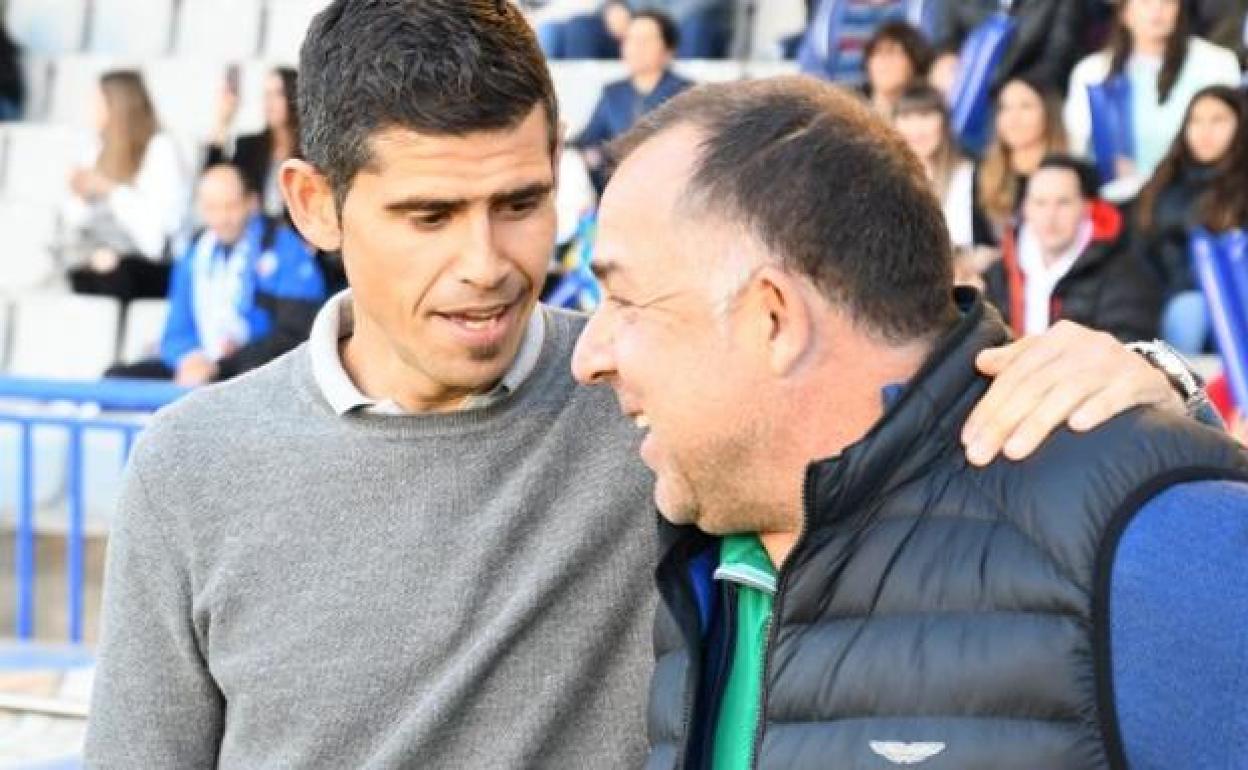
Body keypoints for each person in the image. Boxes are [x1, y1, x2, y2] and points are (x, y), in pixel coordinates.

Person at [85, 2, 1217, 767]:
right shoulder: (192, 465)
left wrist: (1144, 378)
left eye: (522, 203)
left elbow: (878, 393)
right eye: (429, 215)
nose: (487, 260)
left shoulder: (655, 390)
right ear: (312, 203)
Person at [572, 75, 1248, 770]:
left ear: (772, 318)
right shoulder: (700, 545)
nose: (587, 357)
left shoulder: (1142, 545)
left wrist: (1173, 416)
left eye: (625, 300)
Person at [106, 164, 327, 386]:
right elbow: (176, 331)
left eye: (230, 206)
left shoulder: (285, 248)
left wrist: (222, 366)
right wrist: (189, 359)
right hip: (202, 367)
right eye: (211, 208)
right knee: (115, 378)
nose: (221, 218)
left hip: (256, 372)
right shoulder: (194, 253)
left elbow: (295, 335)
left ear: (252, 202)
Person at [1064, 0, 1241, 196]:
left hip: (1201, 195)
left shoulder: (1217, 64)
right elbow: (1077, 146)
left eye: (1167, 3)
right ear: (1124, 12)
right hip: (1116, 200)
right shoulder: (1092, 71)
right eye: (1146, 3)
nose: (1157, 11)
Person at [984, 154, 1160, 341]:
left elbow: (1128, 347)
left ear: (1086, 207)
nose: (1050, 216)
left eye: (1063, 202)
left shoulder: (1124, 273)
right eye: (1040, 203)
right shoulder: (1000, 272)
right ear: (1025, 208)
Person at [1133, 85, 1247, 353]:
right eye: (1195, 121)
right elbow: (1140, 258)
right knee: (1189, 310)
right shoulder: (1160, 186)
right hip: (1170, 304)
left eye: (1218, 120)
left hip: (1235, 305)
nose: (1204, 131)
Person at [62, 70, 188, 306]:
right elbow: (77, 222)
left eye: (98, 103)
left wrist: (109, 189)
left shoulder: (161, 150)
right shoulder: (97, 150)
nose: (92, 111)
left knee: (114, 276)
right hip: (105, 258)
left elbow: (158, 237)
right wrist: (80, 195)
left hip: (152, 264)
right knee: (77, 273)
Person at [572, 9, 693, 191]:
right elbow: (589, 138)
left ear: (668, 50)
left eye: (645, 40)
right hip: (616, 185)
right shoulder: (612, 92)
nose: (635, 47)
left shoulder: (687, 93)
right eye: (630, 39)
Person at [976, 77, 1068, 242]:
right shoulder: (982, 175)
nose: (1013, 118)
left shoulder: (1070, 173)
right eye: (1005, 108)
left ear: (1048, 112)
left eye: (1026, 107)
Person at [932, 0, 1082, 96]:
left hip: (1031, 92)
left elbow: (1058, 56)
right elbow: (946, 41)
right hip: (969, 93)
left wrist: (1015, 89)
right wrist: (947, 61)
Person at [206, 67, 300, 218]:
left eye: (278, 94)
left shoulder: (309, 151)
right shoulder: (249, 146)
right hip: (256, 235)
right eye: (266, 95)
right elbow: (217, 178)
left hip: (298, 237)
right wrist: (222, 122)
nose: (270, 103)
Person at [893, 82, 975, 249]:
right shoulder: (886, 179)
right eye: (906, 117)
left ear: (943, 122)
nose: (917, 130)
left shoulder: (968, 175)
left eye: (925, 115)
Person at [861, 21, 934, 117]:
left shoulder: (927, 117)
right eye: (877, 52)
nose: (884, 61)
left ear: (915, 62)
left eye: (893, 53)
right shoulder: (849, 113)